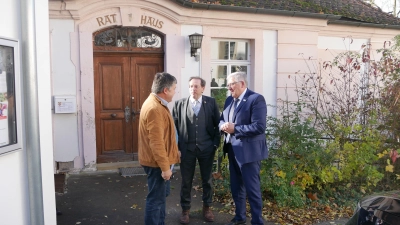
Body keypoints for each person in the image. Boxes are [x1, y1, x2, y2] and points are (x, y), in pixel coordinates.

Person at [219, 72, 268, 225]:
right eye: (228, 84)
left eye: (231, 84)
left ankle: (257, 220)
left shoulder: (255, 99)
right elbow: (222, 118)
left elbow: (259, 127)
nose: (229, 87)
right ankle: (240, 217)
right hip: (232, 150)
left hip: (249, 152)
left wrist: (235, 128)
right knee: (236, 187)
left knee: (252, 189)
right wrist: (222, 126)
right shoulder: (229, 100)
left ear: (242, 84)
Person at [172, 76, 221, 224]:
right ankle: (185, 210)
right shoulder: (179, 104)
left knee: (207, 180)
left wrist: (214, 145)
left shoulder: (211, 103)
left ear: (203, 88)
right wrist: (177, 148)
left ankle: (207, 208)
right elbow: (174, 130)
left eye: (196, 86)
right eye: (191, 86)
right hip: (187, 149)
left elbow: (217, 125)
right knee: (186, 181)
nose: (193, 89)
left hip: (206, 148)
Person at [138, 72, 180, 225]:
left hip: (159, 162)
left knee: (160, 197)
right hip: (157, 164)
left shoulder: (157, 103)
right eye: (174, 88)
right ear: (166, 90)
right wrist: (165, 168)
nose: (175, 92)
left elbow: (165, 136)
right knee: (156, 200)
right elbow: (156, 143)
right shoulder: (155, 108)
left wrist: (174, 151)